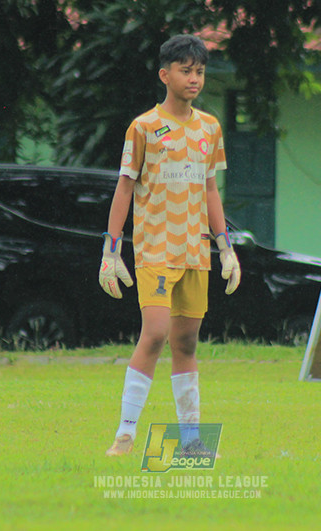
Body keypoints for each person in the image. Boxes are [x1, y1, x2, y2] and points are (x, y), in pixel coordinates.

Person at [100, 34, 240, 457]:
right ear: (165, 75)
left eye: (199, 71)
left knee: (187, 343)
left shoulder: (210, 128)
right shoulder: (143, 127)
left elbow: (211, 191)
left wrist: (226, 247)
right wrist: (111, 248)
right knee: (156, 333)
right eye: (185, 70)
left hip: (195, 251)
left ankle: (191, 441)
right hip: (155, 249)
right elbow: (125, 188)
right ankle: (125, 434)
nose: (194, 78)